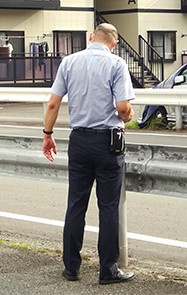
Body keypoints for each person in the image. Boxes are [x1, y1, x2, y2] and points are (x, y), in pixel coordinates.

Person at [42, 24, 136, 285]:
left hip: (79, 141)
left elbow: (53, 103)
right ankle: (108, 270)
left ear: (91, 37)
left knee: (76, 203)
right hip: (108, 142)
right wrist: (128, 116)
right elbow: (123, 108)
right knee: (108, 207)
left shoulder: (69, 62)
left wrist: (47, 134)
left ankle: (71, 267)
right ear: (114, 43)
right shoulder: (116, 64)